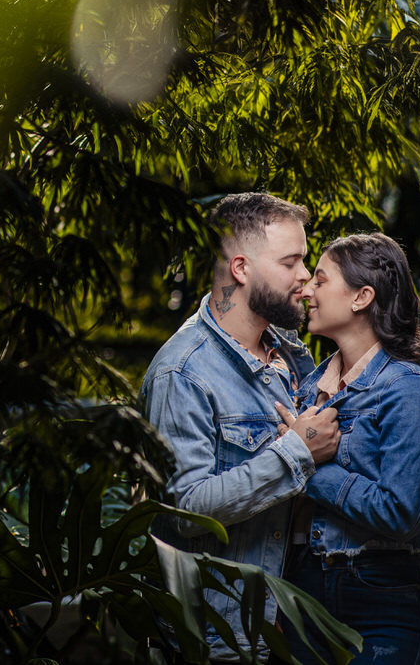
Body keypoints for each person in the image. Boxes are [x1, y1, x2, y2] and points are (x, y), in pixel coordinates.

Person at [141, 192, 341, 661]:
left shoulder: (287, 352)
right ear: (241, 269)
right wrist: (296, 453)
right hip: (218, 638)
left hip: (288, 624)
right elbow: (186, 509)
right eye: (290, 262)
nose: (305, 275)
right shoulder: (183, 373)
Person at [277, 233, 420, 664]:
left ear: (361, 297)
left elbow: (399, 513)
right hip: (302, 587)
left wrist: (307, 464)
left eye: (321, 280)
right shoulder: (309, 389)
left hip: (382, 595)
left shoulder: (408, 390)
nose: (307, 290)